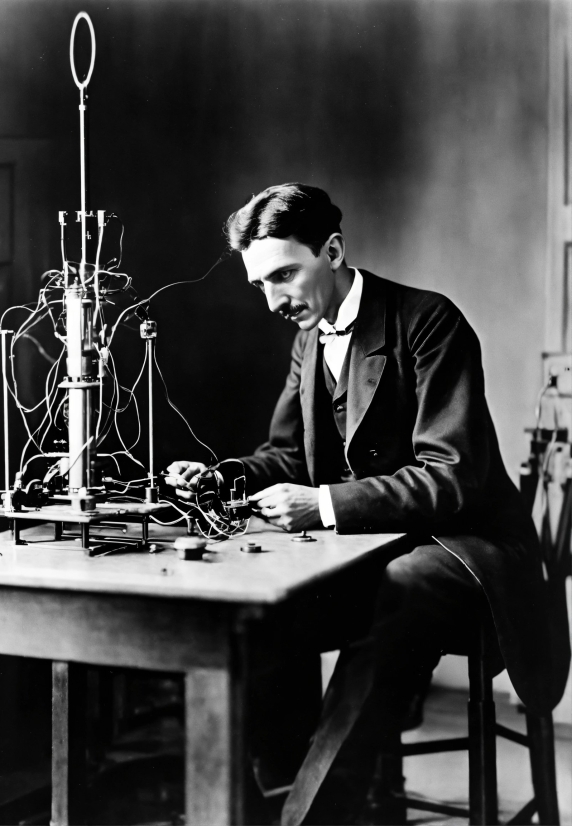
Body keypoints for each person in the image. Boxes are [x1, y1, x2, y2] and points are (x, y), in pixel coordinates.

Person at [166, 183, 570, 825]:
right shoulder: (307, 336)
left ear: (332, 250)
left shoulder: (430, 322)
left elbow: (452, 476)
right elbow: (290, 458)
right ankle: (291, 792)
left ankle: (311, 818)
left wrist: (323, 503)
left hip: (470, 550)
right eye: (260, 284)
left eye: (284, 275)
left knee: (397, 591)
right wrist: (224, 477)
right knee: (261, 608)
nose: (272, 300)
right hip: (375, 540)